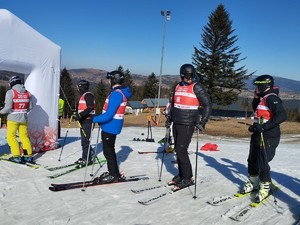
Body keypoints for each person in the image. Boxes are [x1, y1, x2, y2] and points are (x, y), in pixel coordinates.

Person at [241, 75, 287, 203]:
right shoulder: (263, 97)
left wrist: (264, 127)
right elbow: (257, 111)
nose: (255, 88)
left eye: (257, 86)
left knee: (262, 161)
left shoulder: (272, 98)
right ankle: (254, 182)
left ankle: (265, 186)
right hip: (258, 133)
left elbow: (282, 116)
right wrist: (256, 98)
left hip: (268, 134)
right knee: (252, 159)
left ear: (263, 86)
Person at [168, 64, 211, 190]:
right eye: (186, 76)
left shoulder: (197, 87)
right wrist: (169, 117)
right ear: (182, 75)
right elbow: (174, 103)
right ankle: (182, 175)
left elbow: (208, 105)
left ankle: (188, 178)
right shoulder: (177, 86)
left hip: (188, 122)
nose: (189, 78)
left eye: (191, 75)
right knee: (177, 149)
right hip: (176, 121)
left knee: (182, 150)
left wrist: (203, 122)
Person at [93, 70, 132, 183]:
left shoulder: (116, 94)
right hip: (111, 125)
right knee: (109, 150)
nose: (108, 81)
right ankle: (113, 172)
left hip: (110, 126)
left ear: (114, 80)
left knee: (108, 151)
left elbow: (109, 115)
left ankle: (113, 174)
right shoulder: (120, 92)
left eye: (109, 79)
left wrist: (94, 119)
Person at [0, 76, 33, 163]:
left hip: (13, 119)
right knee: (24, 137)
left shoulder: (11, 92)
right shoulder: (28, 93)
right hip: (24, 119)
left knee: (11, 137)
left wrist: (1, 111)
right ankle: (28, 156)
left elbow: (7, 108)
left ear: (12, 83)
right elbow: (31, 107)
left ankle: (16, 156)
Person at [74, 80, 96, 168]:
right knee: (85, 140)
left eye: (79, 87)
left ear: (82, 87)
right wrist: (77, 114)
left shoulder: (88, 95)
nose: (78, 89)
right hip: (84, 120)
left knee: (85, 141)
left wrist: (80, 115)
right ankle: (86, 157)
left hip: (88, 120)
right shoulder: (84, 95)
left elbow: (90, 108)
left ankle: (86, 159)